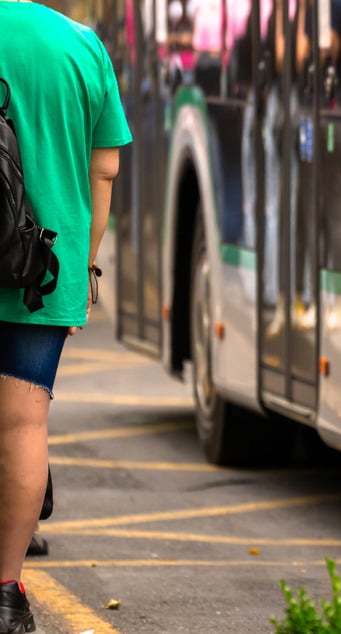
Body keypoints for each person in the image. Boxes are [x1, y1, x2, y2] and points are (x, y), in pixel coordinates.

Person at [0, 2, 132, 631]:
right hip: (41, 270)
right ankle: (6, 592)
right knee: (23, 426)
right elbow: (103, 170)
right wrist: (84, 270)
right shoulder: (81, 46)